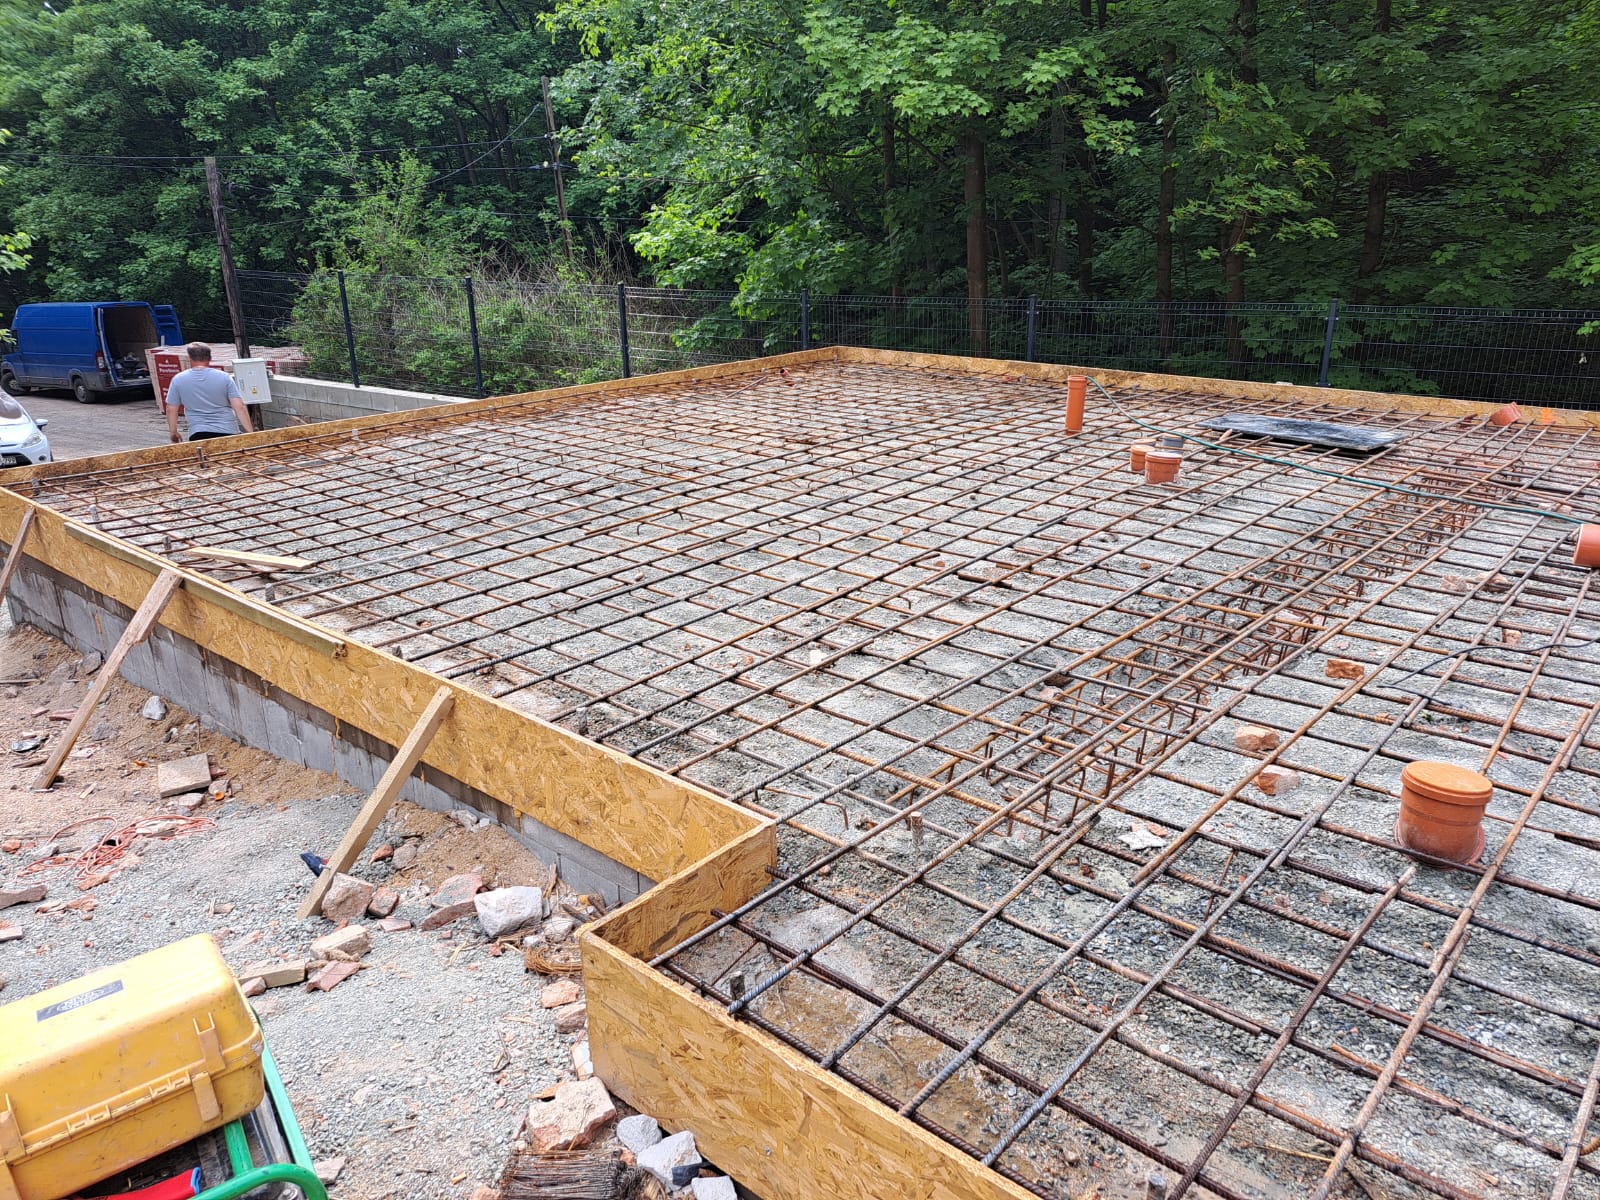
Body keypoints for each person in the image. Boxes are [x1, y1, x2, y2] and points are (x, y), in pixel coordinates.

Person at [164, 344, 254, 442]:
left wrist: (173, 432)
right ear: (210, 358)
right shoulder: (224, 377)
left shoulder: (178, 379)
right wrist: (251, 433)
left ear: (190, 358)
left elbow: (171, 409)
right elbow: (239, 407)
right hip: (227, 431)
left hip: (198, 433)